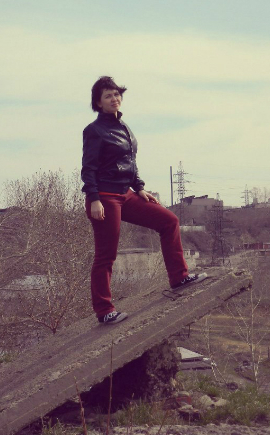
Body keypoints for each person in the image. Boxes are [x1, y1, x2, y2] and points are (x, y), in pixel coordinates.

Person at [81, 76, 207, 324]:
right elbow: (88, 168)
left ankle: (179, 277)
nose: (114, 99)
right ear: (98, 102)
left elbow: (130, 162)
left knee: (169, 221)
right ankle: (104, 311)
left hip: (126, 194)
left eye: (116, 94)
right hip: (105, 196)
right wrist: (93, 198)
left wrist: (139, 187)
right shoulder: (94, 130)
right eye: (108, 96)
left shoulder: (124, 127)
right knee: (106, 255)